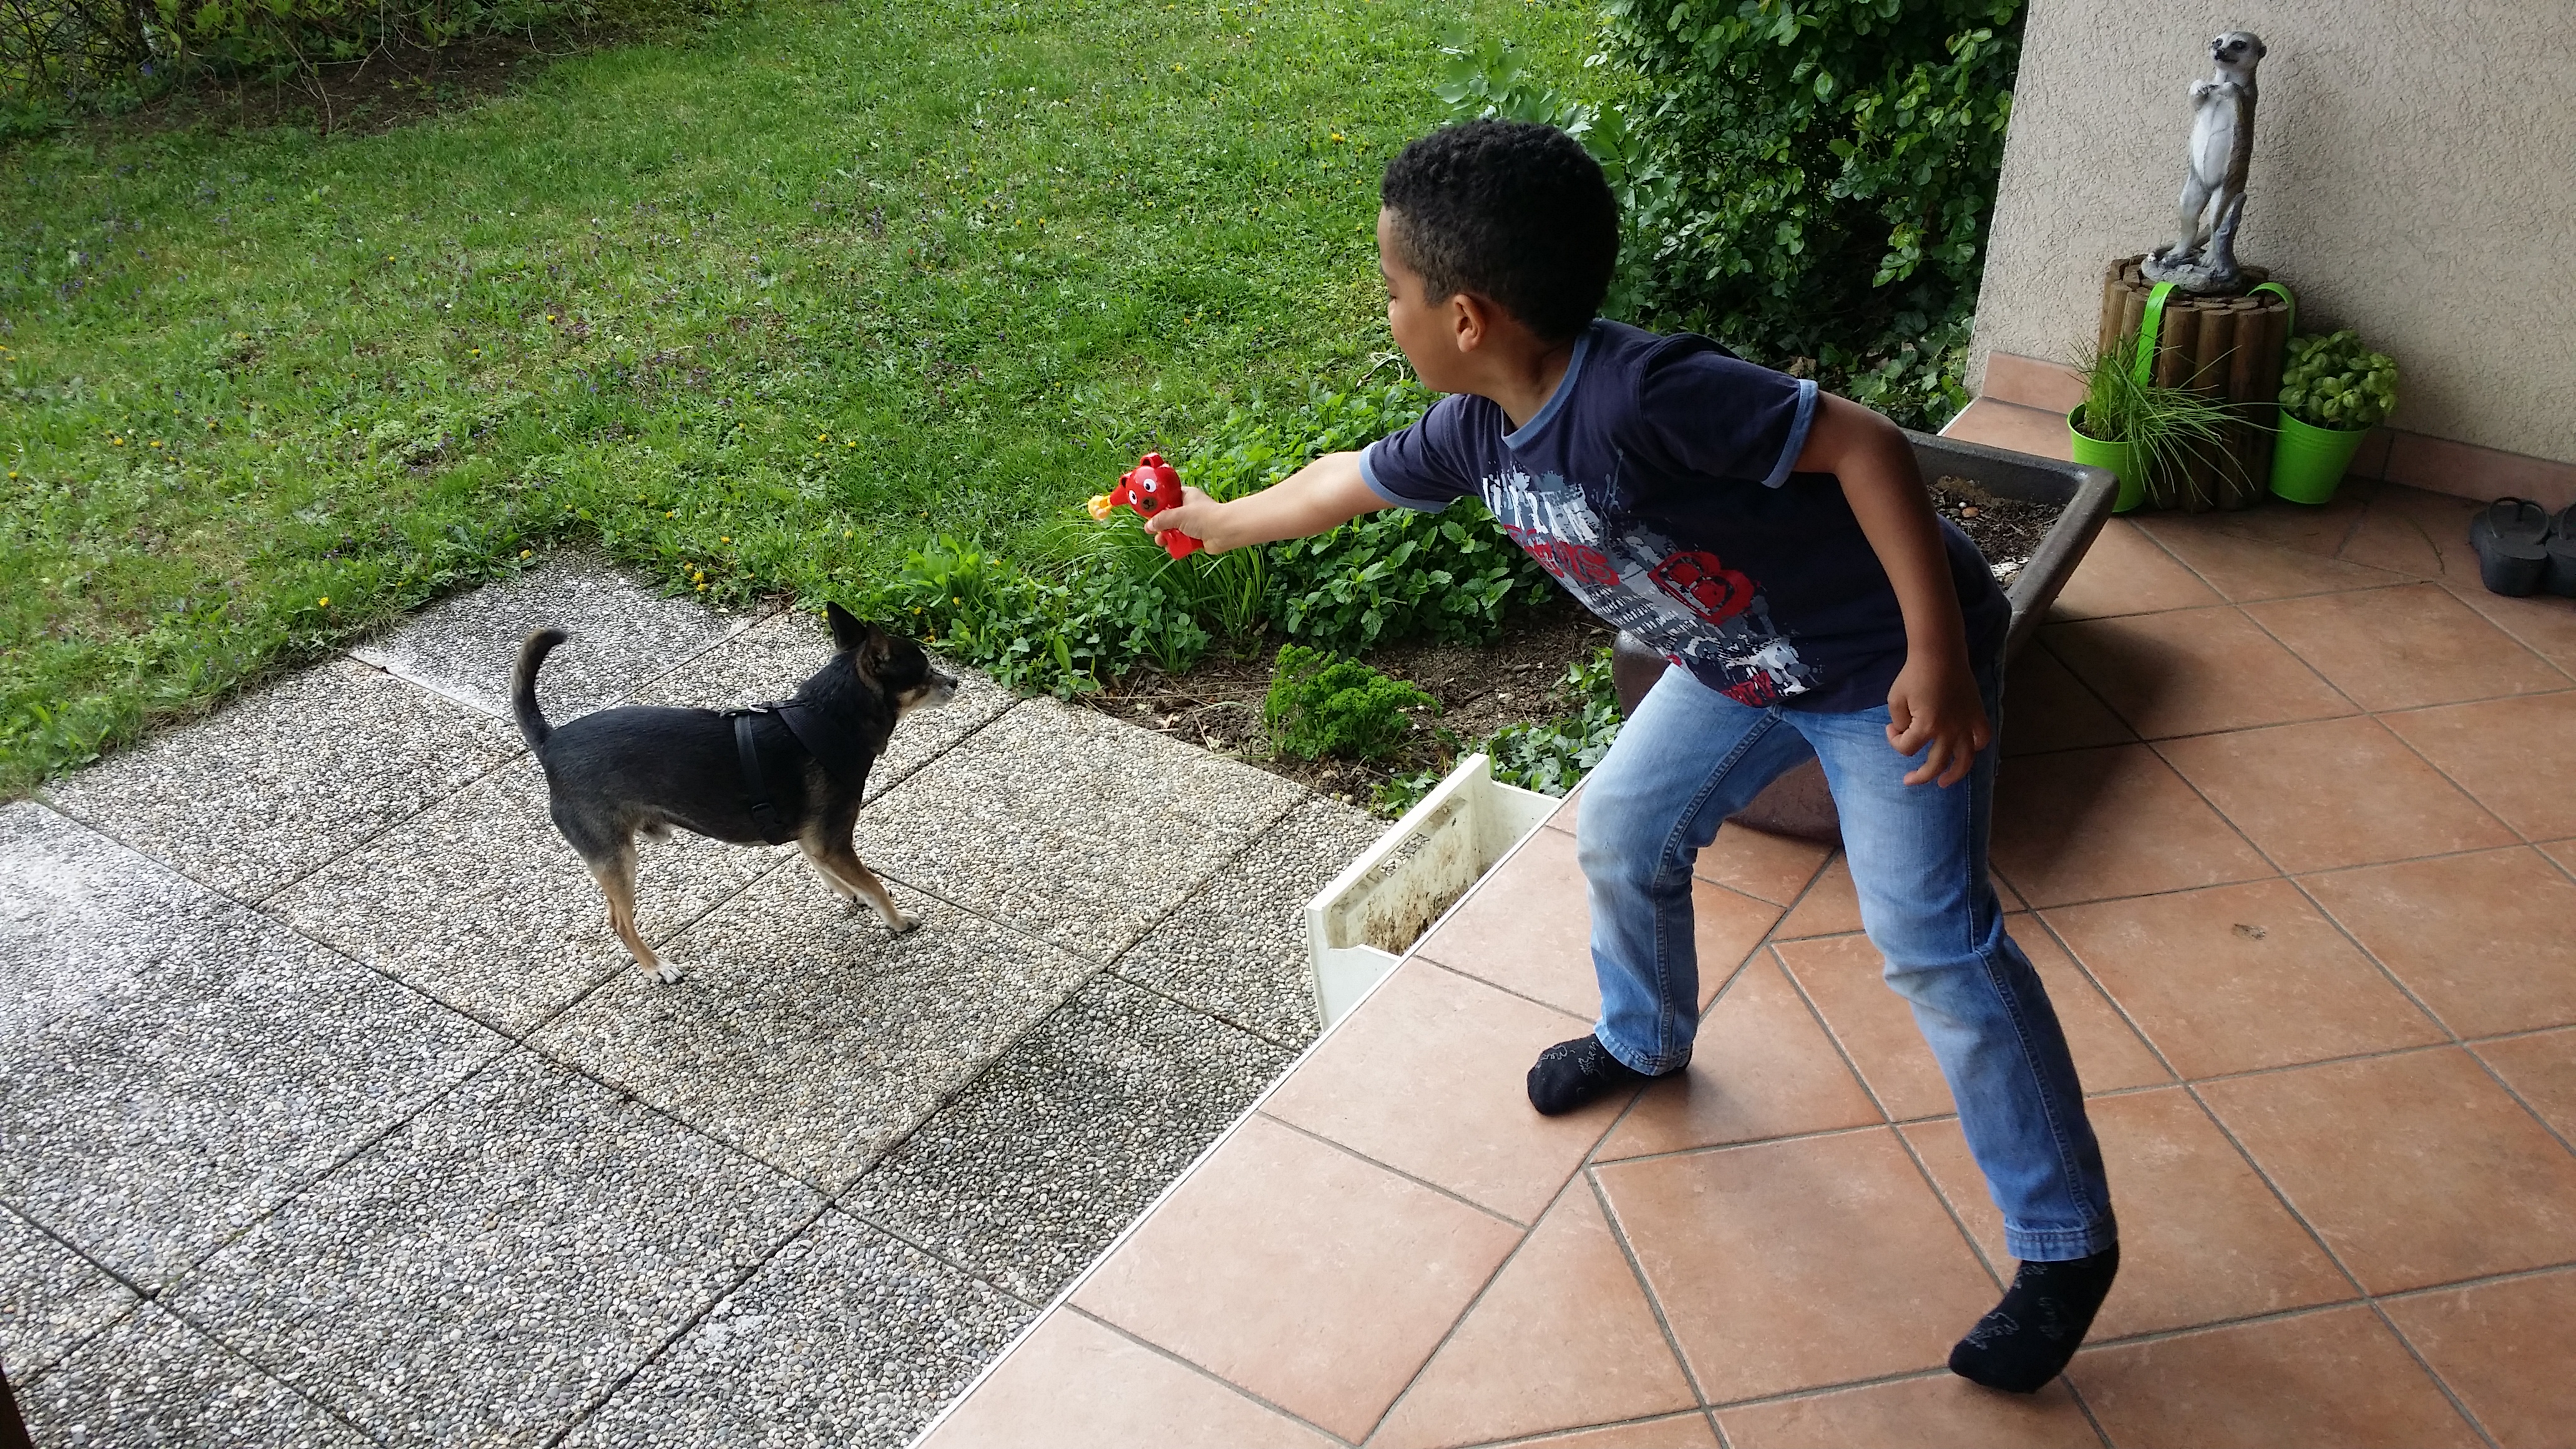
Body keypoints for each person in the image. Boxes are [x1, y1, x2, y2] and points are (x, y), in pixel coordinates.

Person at [1148, 118, 2117, 1393]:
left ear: (1467, 317)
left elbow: (1868, 445)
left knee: (1933, 943)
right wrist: (1218, 521)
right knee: (1621, 832)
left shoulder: (1646, 394)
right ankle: (1644, 1037)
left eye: (1391, 290)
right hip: (1737, 664)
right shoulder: (1477, 431)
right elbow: (1347, 480)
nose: (1385, 312)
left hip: (1878, 664)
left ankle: (2064, 1242)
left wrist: (1937, 653)